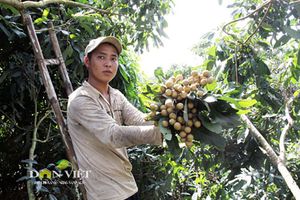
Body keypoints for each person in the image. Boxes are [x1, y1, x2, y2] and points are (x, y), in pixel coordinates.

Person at [67, 36, 162, 200]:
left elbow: (140, 120)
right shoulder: (80, 100)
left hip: (128, 186)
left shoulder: (116, 95)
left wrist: (169, 119)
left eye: (113, 58)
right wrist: (160, 133)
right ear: (87, 61)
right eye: (101, 57)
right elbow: (113, 135)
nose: (108, 64)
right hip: (105, 193)